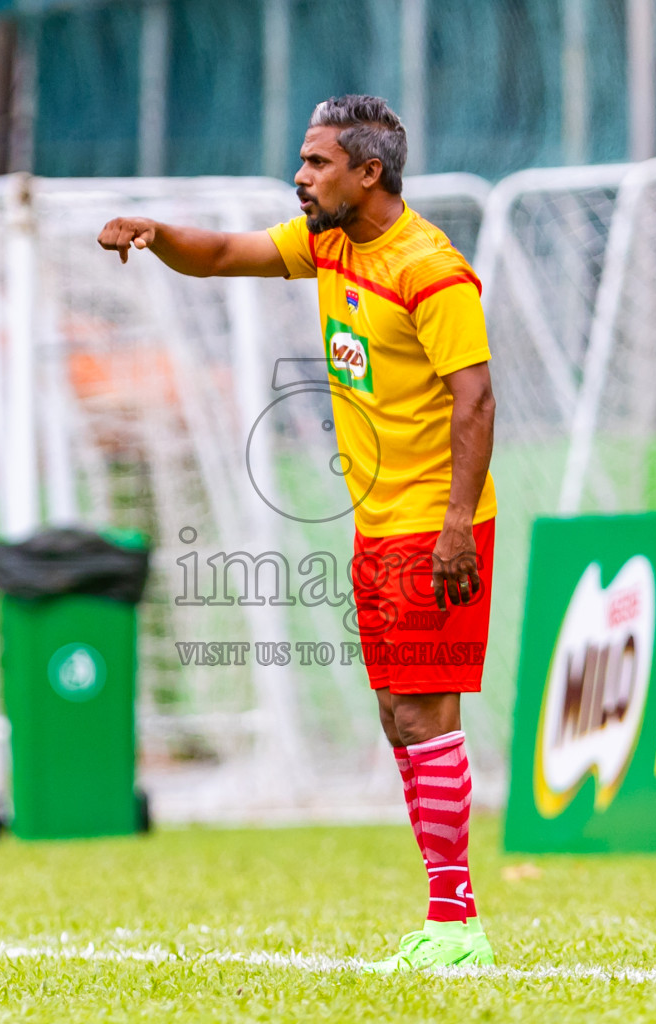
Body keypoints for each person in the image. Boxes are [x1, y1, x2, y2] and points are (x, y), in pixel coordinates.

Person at [98, 94, 497, 972]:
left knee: (428, 712)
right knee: (398, 717)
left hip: (435, 524)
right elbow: (226, 256)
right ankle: (444, 914)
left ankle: (457, 923)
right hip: (377, 526)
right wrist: (154, 232)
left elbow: (476, 398)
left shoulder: (431, 269)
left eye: (316, 163)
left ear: (369, 172)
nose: (300, 175)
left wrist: (458, 525)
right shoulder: (328, 243)